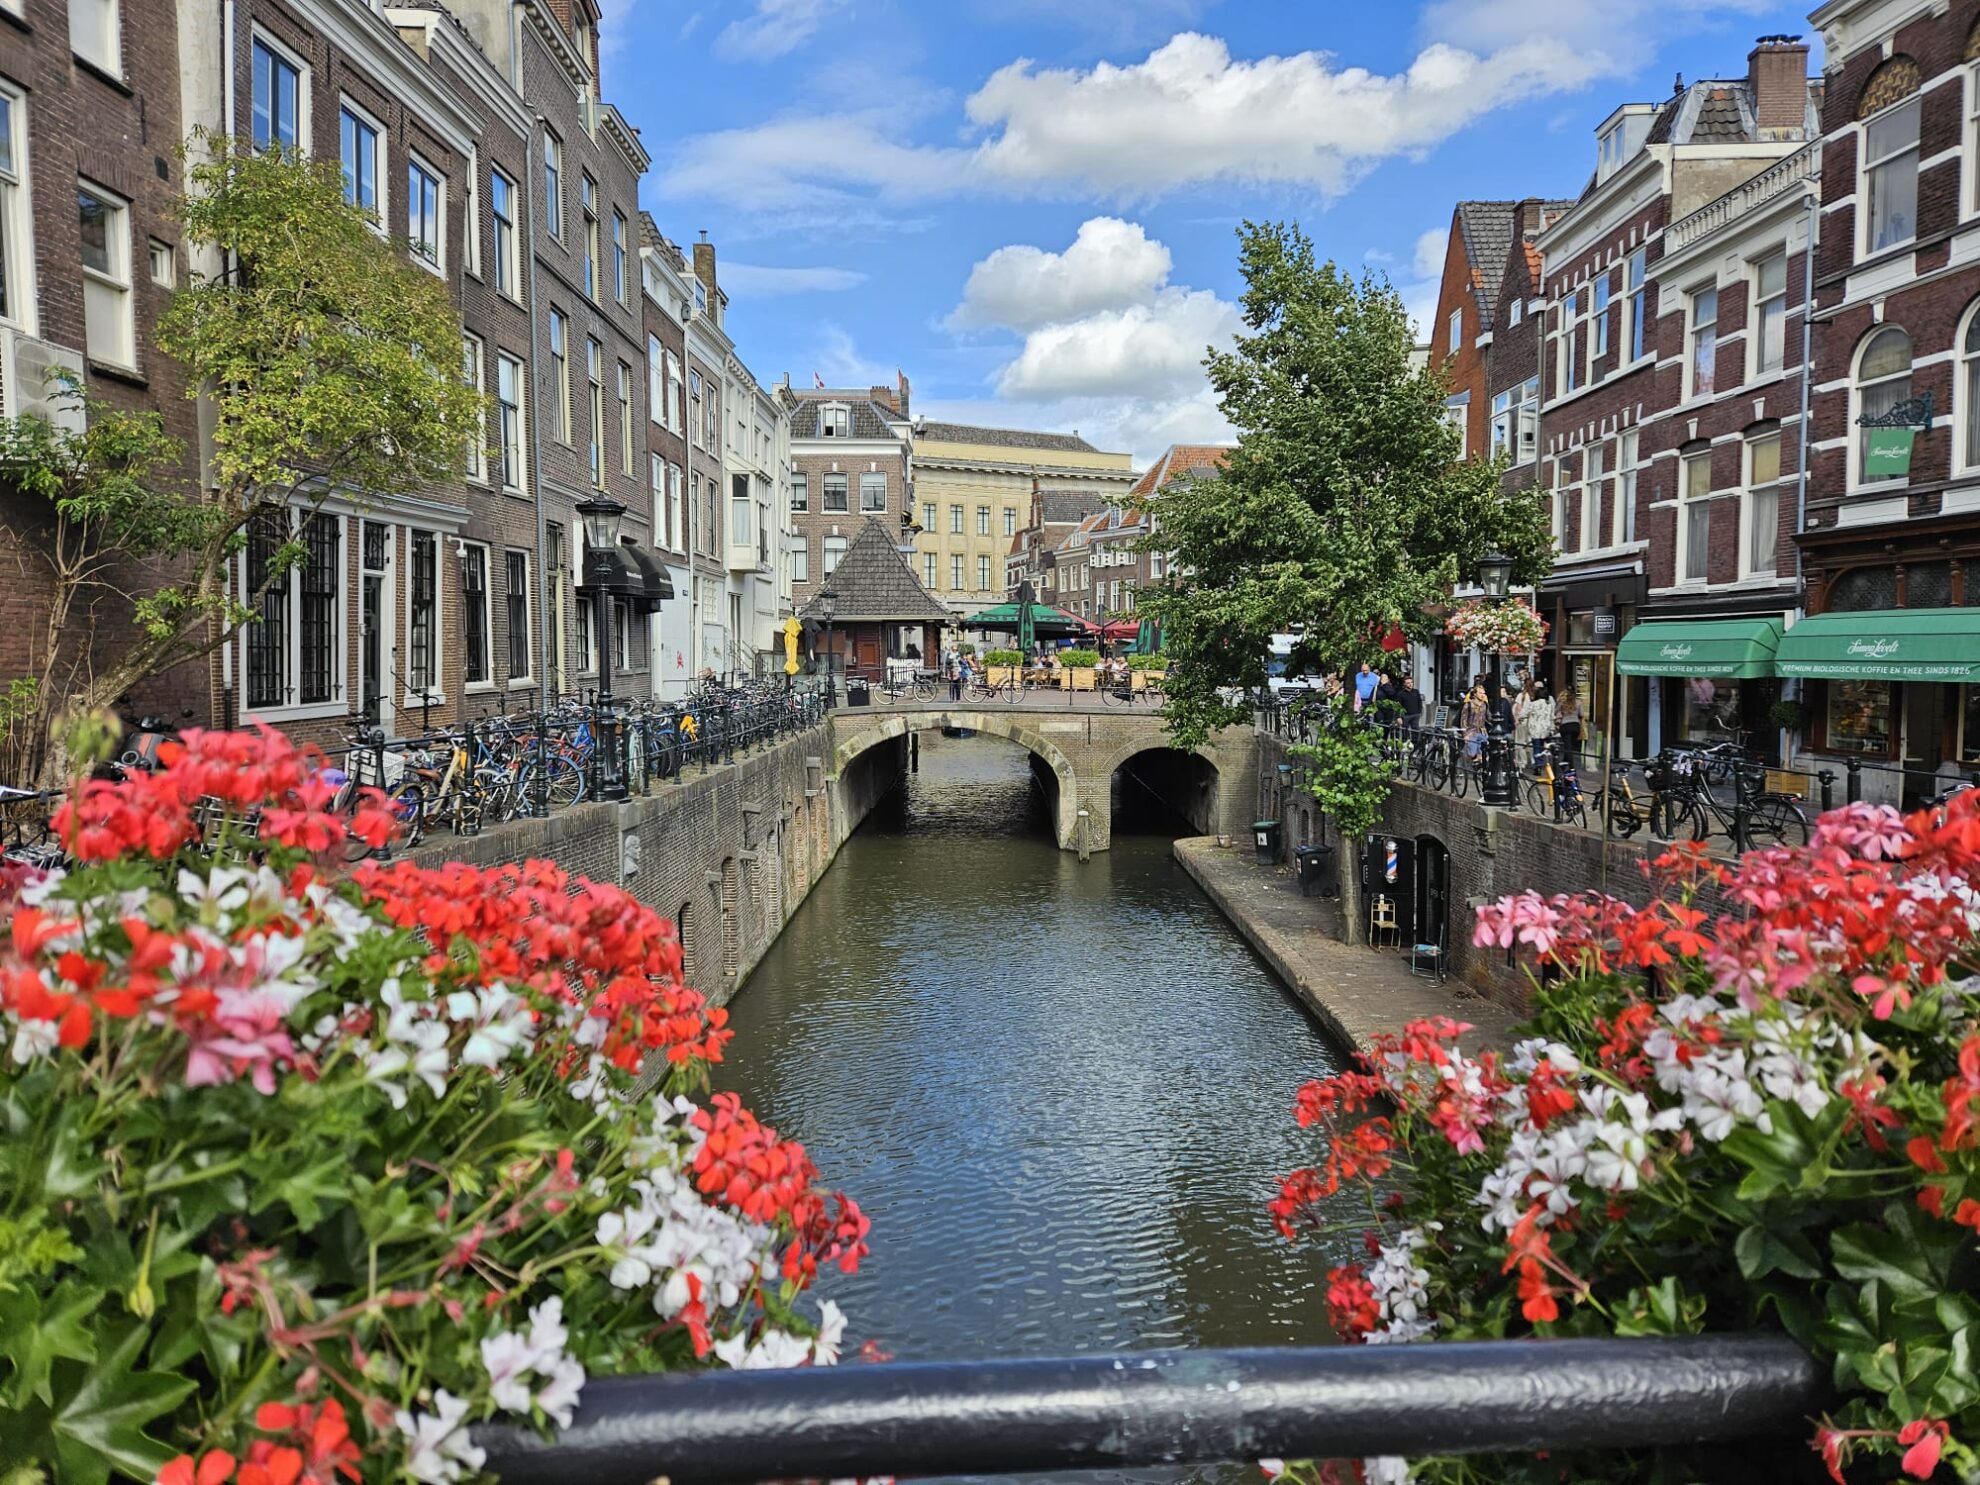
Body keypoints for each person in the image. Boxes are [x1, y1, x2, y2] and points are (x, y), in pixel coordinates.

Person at [1523, 680, 1556, 772]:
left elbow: (1523, 714)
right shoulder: (1549, 705)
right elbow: (1552, 716)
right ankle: (1545, 764)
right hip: (1546, 729)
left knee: (1536, 747)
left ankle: (1538, 765)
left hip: (1535, 729)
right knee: (1543, 746)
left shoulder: (1533, 704)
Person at [1460, 681, 1490, 760]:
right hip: (1471, 732)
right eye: (1480, 693)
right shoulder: (1468, 705)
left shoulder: (1485, 704)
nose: (1482, 695)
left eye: (1483, 693)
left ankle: (1480, 767)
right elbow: (1463, 720)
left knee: (1483, 753)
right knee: (1472, 753)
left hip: (1482, 731)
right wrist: (1465, 734)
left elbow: (1488, 717)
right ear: (1475, 694)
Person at [1556, 686, 1584, 761]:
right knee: (1569, 747)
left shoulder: (1562, 702)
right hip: (1575, 726)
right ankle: (1564, 764)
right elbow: (1581, 714)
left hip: (1565, 726)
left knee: (1568, 747)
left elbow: (1556, 711)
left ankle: (1571, 768)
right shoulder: (1579, 702)